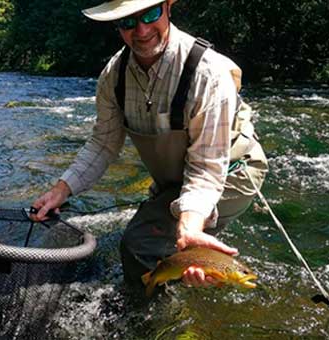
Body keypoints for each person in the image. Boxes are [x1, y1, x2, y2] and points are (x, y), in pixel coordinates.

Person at [32, 0, 267, 290]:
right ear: (116, 26)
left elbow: (206, 170)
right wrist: (61, 190)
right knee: (161, 244)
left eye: (150, 14)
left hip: (232, 170)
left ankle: (163, 325)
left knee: (138, 245)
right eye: (127, 22)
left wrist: (189, 227)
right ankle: (174, 299)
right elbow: (103, 143)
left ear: (169, 6)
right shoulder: (113, 77)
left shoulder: (208, 73)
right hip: (177, 176)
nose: (141, 30)